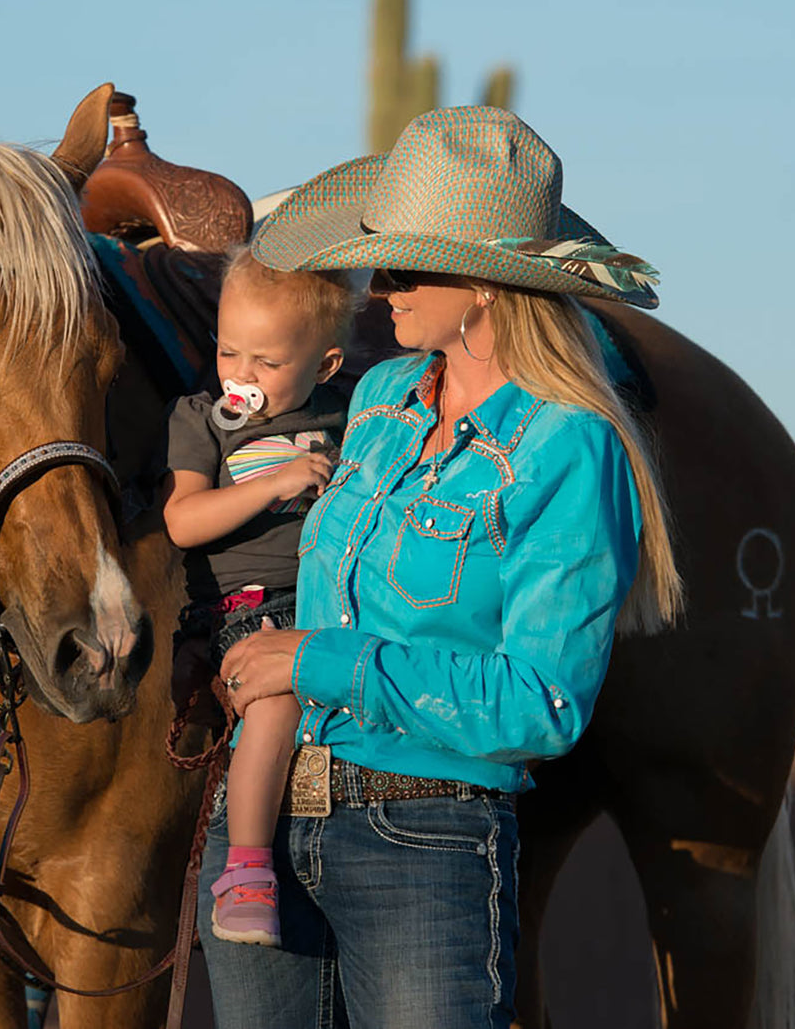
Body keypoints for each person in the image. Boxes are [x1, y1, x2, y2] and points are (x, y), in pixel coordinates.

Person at [196, 106, 682, 1027]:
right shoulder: (377, 398)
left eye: (408, 261)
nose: (380, 283)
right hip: (258, 832)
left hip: (424, 839)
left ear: (489, 283)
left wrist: (315, 663)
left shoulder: (569, 448)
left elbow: (542, 703)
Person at [163, 248, 354, 947]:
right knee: (272, 710)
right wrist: (272, 484)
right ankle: (245, 871)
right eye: (228, 352)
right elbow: (183, 520)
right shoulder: (204, 420)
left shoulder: (353, 411)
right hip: (251, 609)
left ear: (325, 366)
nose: (240, 377)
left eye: (266, 364)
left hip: (337, 604)